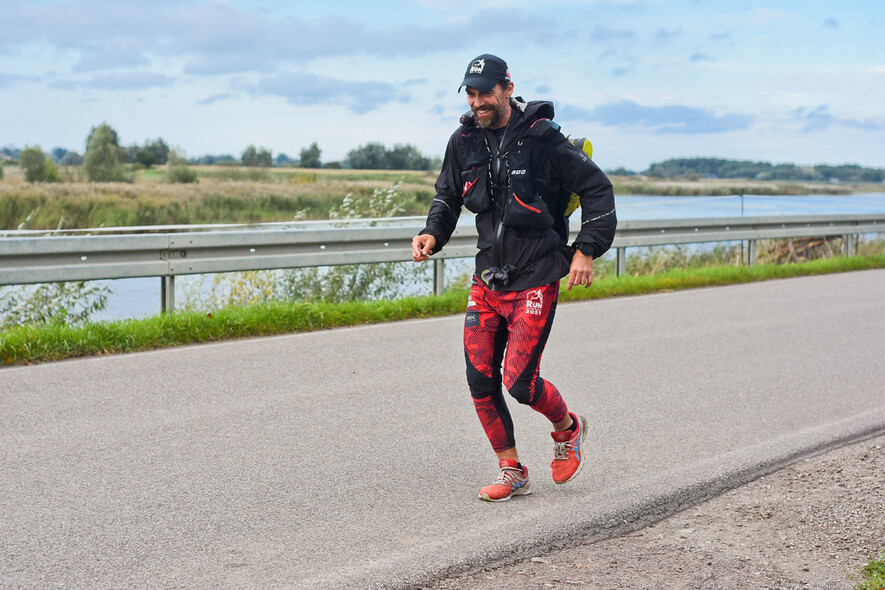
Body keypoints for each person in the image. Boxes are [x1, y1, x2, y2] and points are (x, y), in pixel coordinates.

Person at [412, 54, 617, 502]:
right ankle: (512, 469)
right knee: (480, 378)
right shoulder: (463, 140)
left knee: (519, 383)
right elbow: (447, 196)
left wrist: (586, 249)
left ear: (507, 87)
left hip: (537, 275)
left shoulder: (543, 140)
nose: (477, 100)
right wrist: (432, 233)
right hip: (488, 279)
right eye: (470, 92)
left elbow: (598, 189)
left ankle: (568, 428)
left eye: (485, 91)